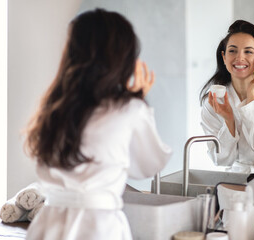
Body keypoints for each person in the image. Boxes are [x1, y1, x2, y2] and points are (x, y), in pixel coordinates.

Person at [24, 9, 172, 240]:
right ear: (122, 59)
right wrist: (139, 100)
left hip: (48, 224)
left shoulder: (54, 107)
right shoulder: (129, 110)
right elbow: (148, 165)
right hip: (97, 227)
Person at [200, 20, 254, 175]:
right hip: (234, 178)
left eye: (248, 51)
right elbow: (220, 160)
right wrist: (229, 121)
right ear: (223, 56)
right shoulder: (213, 100)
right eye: (232, 51)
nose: (239, 58)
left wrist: (252, 96)